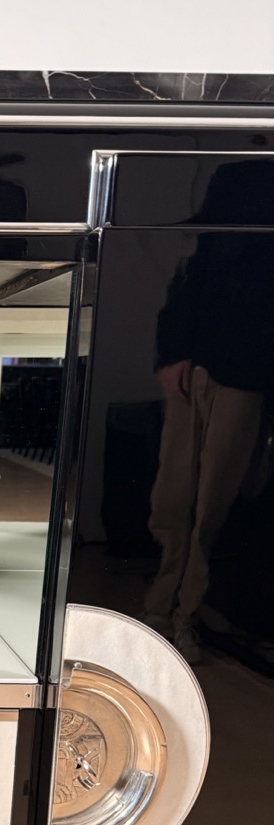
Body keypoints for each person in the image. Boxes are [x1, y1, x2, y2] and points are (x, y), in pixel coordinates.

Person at [143, 160, 274, 664]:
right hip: (207, 366)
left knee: (213, 501)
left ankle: (180, 614)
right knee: (178, 497)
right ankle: (165, 613)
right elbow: (196, 272)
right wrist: (173, 353)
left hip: (244, 371)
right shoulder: (240, 182)